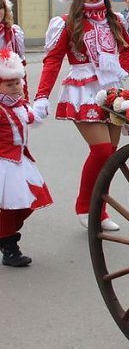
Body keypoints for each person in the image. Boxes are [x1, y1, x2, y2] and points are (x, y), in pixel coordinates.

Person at [34, 0, 129, 231]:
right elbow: (53, 61)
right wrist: (42, 96)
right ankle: (84, 205)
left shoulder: (115, 21)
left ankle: (100, 210)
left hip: (111, 90)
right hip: (83, 89)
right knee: (101, 150)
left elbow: (128, 48)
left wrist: (121, 70)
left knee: (110, 155)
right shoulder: (68, 24)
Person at [0, 50, 52, 267]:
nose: (15, 87)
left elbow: (32, 117)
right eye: (9, 84)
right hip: (4, 164)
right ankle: (10, 248)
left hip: (21, 161)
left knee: (28, 203)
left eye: (17, 83)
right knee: (7, 208)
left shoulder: (20, 105)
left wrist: (40, 107)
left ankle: (7, 239)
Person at [0, 0, 28, 99]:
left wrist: (24, 97)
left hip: (8, 95)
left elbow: (21, 68)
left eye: (0, 7)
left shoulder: (13, 33)